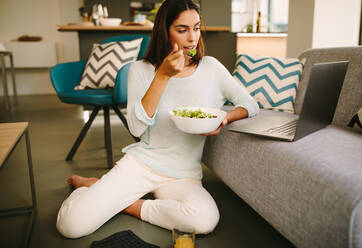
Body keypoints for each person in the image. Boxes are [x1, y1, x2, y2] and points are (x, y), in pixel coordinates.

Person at [56, 0, 259, 239]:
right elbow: (137, 128)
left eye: (196, 28)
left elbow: (250, 105)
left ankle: (115, 197)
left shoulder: (211, 68)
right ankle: (93, 189)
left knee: (204, 220)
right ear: (164, 31)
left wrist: (223, 118)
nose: (192, 38)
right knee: (70, 226)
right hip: (142, 164)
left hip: (184, 174)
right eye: (182, 30)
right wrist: (162, 76)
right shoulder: (139, 70)